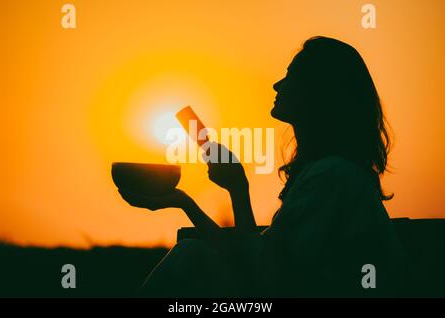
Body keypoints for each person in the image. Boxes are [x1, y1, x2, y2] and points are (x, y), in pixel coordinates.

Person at [118, 36, 406, 297]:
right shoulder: (326, 174)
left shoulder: (332, 177)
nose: (277, 85)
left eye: (291, 76)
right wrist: (190, 200)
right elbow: (252, 258)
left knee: (192, 257)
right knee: (192, 254)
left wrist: (237, 188)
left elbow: (264, 277)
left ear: (318, 92)